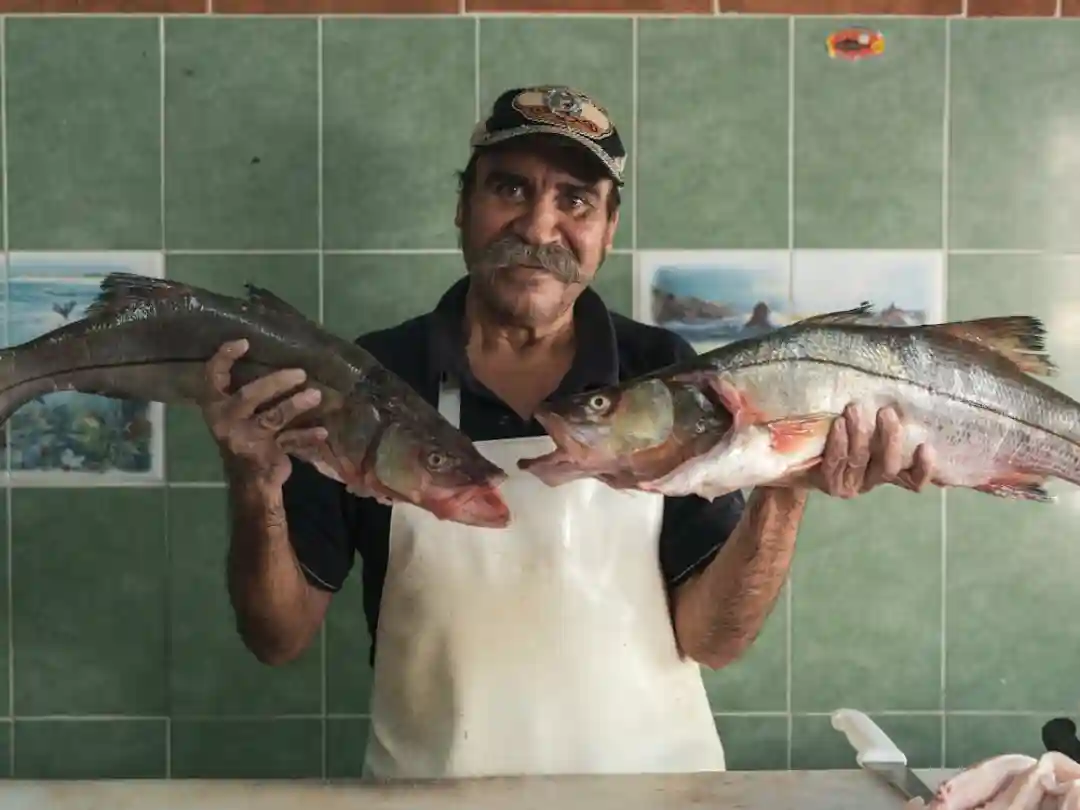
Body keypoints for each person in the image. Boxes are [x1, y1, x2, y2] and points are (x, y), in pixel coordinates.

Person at [202, 85, 935, 780]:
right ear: (463, 205)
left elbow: (713, 641)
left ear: (607, 229)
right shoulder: (374, 378)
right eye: (510, 188)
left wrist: (783, 493)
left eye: (575, 200)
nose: (538, 226)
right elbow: (279, 637)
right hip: (433, 793)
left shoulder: (666, 372)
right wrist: (253, 484)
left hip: (653, 793)